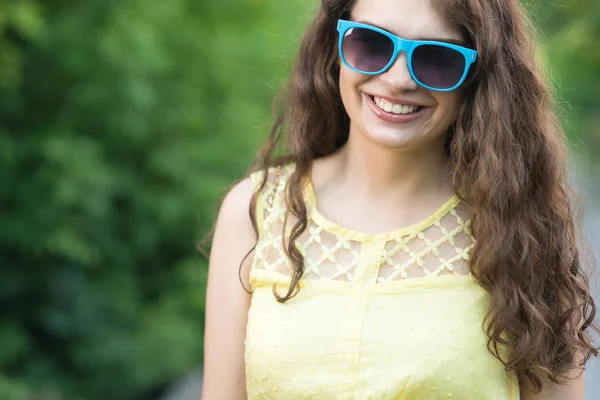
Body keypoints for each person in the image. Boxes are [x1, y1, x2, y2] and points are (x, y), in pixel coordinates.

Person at [201, 0, 599, 398]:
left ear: (478, 76)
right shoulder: (255, 210)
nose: (398, 79)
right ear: (333, 44)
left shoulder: (525, 229)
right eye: (371, 44)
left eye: (437, 58)